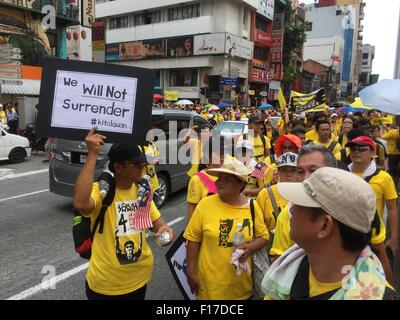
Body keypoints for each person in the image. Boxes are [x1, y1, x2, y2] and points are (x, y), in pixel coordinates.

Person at [263, 167, 397, 300]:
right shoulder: (291, 272)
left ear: (324, 225)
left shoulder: (378, 296)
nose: (291, 210)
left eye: (299, 204)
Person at [73, 128, 174, 300]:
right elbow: (81, 203)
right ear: (118, 167)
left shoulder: (142, 190)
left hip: (140, 278)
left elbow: (158, 223)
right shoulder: (103, 191)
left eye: (143, 164)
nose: (142, 169)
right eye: (136, 165)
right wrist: (92, 155)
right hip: (106, 285)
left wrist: (165, 230)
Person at [184, 157, 269, 300]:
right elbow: (193, 239)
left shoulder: (252, 207)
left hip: (242, 288)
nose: (219, 182)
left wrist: (249, 248)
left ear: (240, 184)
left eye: (227, 179)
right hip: (209, 288)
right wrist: (190, 271)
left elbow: (264, 236)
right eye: (219, 178)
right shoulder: (205, 204)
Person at [346, 136, 397, 285]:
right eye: (353, 148)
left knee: (377, 279)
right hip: (346, 237)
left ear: (372, 153)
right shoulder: (343, 174)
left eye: (362, 149)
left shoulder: (384, 178)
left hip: (374, 238)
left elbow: (393, 208)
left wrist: (394, 239)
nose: (356, 152)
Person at [256, 152, 300, 234]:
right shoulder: (265, 194)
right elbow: (257, 225)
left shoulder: (304, 194)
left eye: (293, 170)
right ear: (278, 172)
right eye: (284, 170)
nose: (288, 174)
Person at [187, 136, 225, 223]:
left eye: (224, 153)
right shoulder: (197, 180)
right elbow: (192, 210)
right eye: (219, 153)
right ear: (208, 155)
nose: (223, 156)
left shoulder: (230, 175)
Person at [382, 118, 400, 188]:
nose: (392, 122)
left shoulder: (393, 132)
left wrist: (383, 130)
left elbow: (382, 137)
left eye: (393, 121)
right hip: (396, 154)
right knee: (397, 173)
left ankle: (392, 187)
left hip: (392, 154)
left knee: (392, 172)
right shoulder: (393, 131)